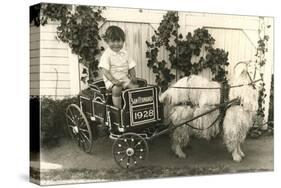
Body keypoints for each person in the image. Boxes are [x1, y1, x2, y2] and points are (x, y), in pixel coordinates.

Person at [98, 25, 138, 108]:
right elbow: (105, 70)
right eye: (113, 41)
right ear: (107, 41)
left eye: (119, 41)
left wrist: (133, 77)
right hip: (111, 80)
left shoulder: (125, 53)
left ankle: (134, 107)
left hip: (124, 78)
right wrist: (113, 80)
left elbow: (131, 66)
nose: (116, 44)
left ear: (123, 41)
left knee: (135, 88)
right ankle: (118, 108)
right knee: (117, 89)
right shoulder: (107, 55)